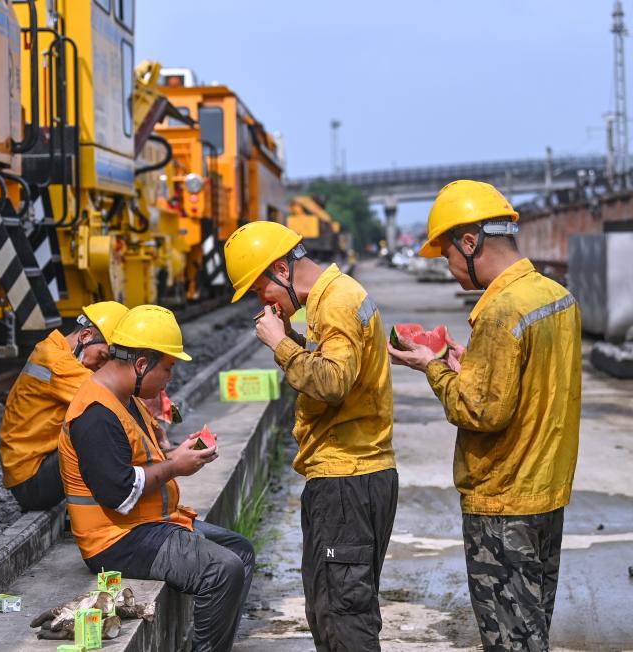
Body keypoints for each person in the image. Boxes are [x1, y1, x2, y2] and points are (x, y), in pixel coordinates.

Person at [387, 180, 581, 651]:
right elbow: (528, 387)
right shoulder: (556, 297)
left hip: (502, 502)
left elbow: (479, 411)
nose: (450, 268)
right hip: (546, 492)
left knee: (510, 640)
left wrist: (431, 365)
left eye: (447, 255)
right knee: (532, 629)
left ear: (470, 242)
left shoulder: (500, 311)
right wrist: (464, 365)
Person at [223, 221, 397, 651]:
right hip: (349, 475)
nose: (262, 300)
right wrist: (296, 338)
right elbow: (338, 370)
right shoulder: (331, 299)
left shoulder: (335, 302)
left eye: (259, 289)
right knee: (330, 605)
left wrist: (281, 345)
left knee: (343, 615)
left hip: (346, 478)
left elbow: (334, 383)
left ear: (281, 268)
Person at [58, 305, 254, 652]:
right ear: (141, 364)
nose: (169, 379)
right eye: (168, 368)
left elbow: (140, 458)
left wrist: (180, 452)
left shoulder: (124, 398)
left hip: (146, 524)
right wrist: (175, 466)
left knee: (240, 551)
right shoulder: (94, 415)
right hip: (116, 541)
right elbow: (118, 493)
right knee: (223, 570)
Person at [0, 301, 129, 511]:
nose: (101, 366)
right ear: (85, 336)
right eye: (102, 356)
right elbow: (109, 398)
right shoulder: (58, 362)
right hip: (32, 482)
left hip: (34, 469)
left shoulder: (53, 349)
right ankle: (110, 512)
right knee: (100, 423)